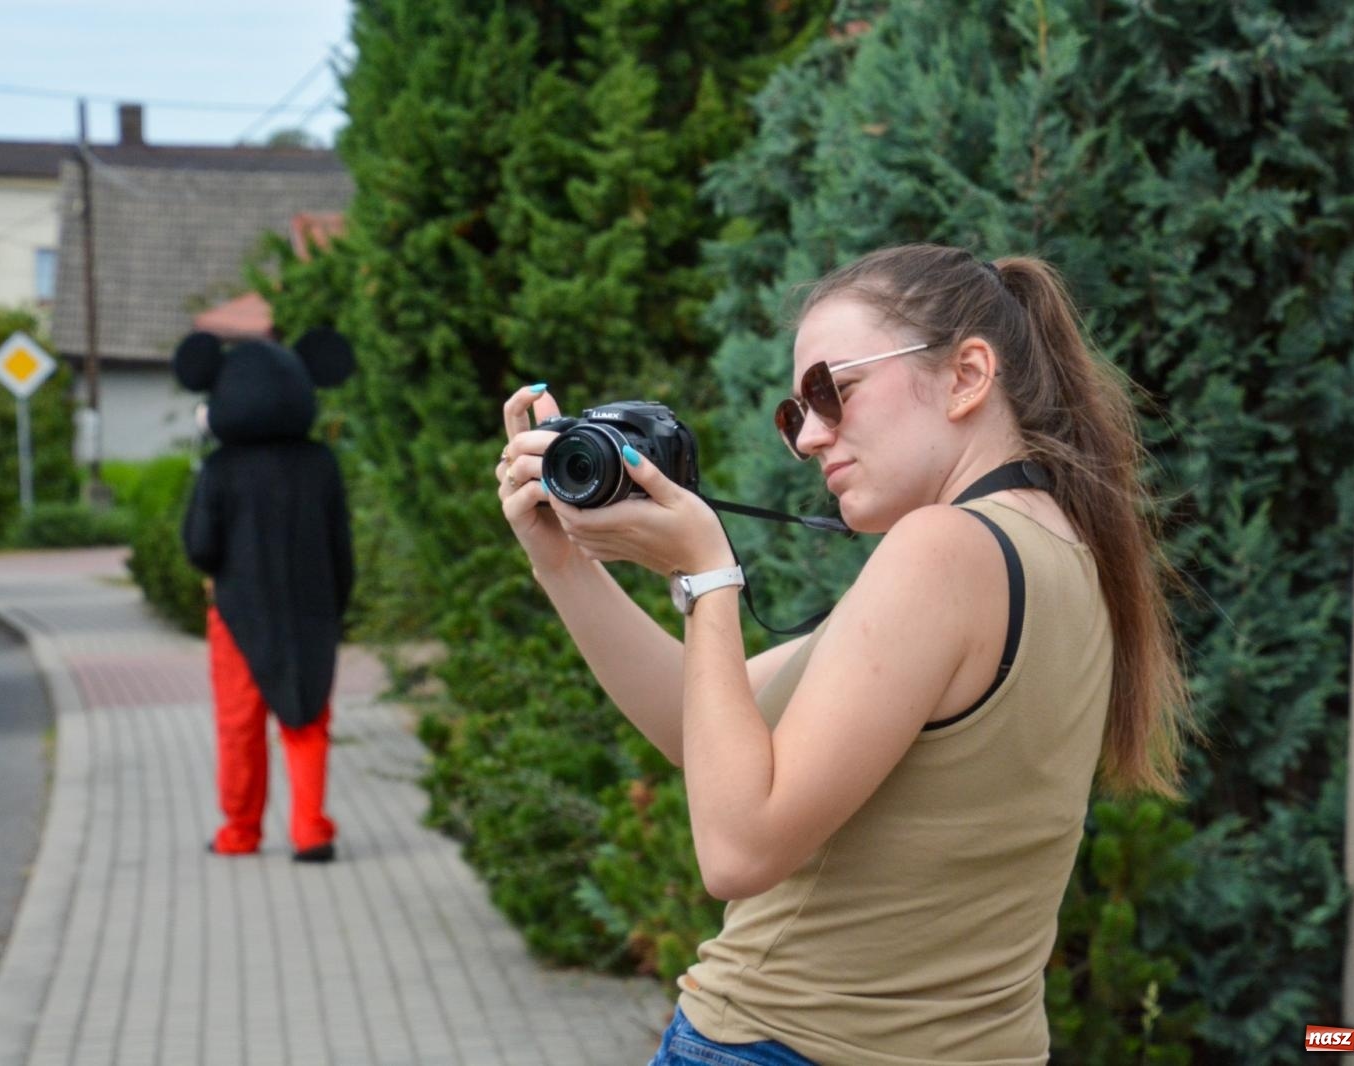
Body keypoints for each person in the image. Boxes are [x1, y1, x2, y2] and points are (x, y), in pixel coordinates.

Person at [494, 243, 1190, 1065]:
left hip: (787, 1042)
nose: (810, 437)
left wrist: (708, 578)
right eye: (796, 413)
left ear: (968, 375)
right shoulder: (1061, 546)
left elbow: (738, 850)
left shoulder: (942, 551)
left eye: (834, 391)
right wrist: (563, 562)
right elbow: (702, 726)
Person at [177, 327, 356, 864]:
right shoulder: (320, 464)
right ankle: (310, 830)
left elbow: (200, 545)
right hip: (312, 612)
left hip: (237, 613)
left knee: (240, 725)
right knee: (305, 718)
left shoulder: (220, 469)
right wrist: (337, 605)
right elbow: (340, 545)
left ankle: (240, 830)